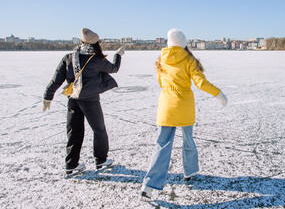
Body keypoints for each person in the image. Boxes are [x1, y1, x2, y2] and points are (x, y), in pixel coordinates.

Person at [141, 28, 228, 199]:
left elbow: (161, 82)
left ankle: (149, 184)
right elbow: (201, 83)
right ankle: (190, 172)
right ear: (184, 43)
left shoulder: (161, 59)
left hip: (166, 106)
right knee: (188, 140)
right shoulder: (189, 59)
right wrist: (219, 94)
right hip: (185, 106)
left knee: (162, 144)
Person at [42, 28, 125, 175]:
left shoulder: (69, 57)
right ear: (95, 44)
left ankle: (71, 164)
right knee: (99, 130)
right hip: (90, 100)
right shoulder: (97, 59)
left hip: (73, 99)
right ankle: (101, 160)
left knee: (74, 132)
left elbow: (56, 80)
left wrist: (47, 96)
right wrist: (118, 55)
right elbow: (114, 69)